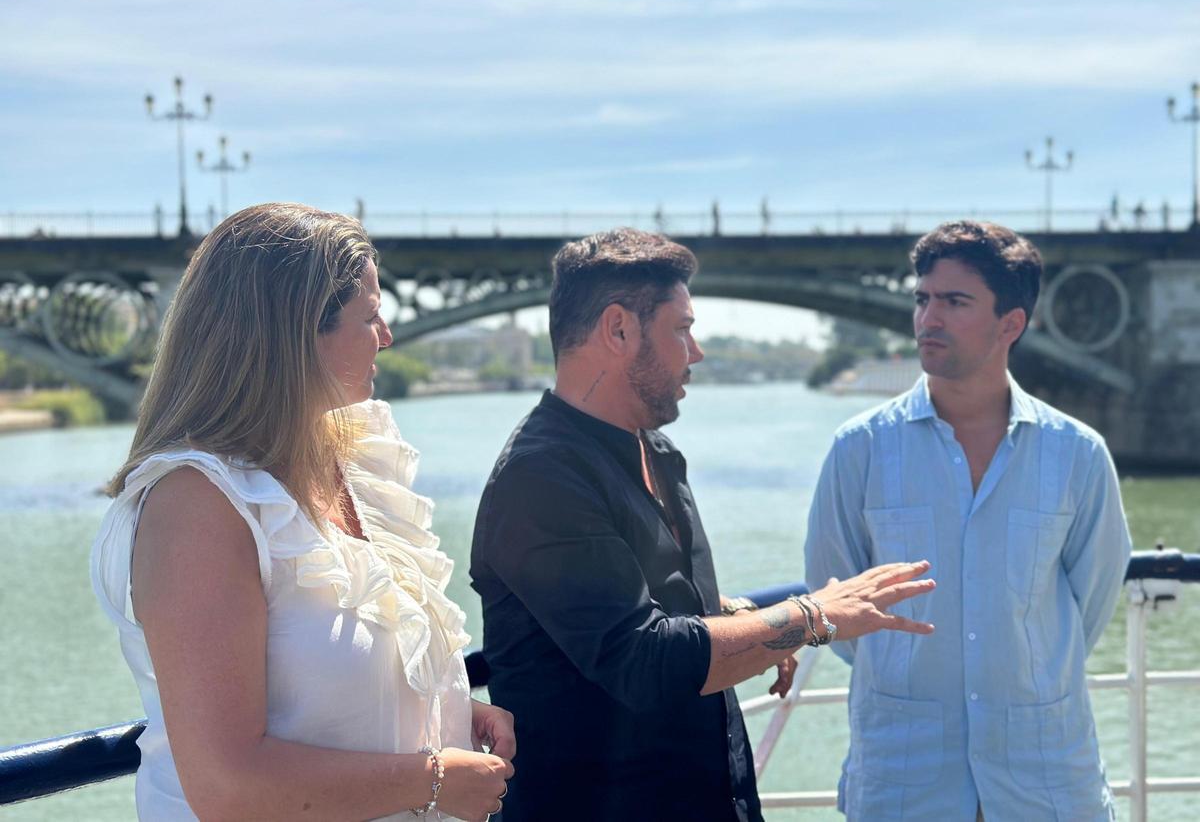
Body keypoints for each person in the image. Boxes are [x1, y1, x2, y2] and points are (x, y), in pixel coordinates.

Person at [469, 228, 936, 822]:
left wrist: (734, 618)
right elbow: (641, 657)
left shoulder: (655, 451)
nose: (697, 352)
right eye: (681, 329)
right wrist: (812, 617)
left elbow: (634, 593)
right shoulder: (539, 478)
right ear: (618, 330)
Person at [91, 203, 514, 821]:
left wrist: (444, 711)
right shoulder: (197, 506)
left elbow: (328, 675)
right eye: (369, 317)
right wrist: (434, 777)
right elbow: (228, 786)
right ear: (295, 334)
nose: (388, 337)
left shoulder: (345, 463)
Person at [804, 220, 1132, 821]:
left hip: (1044, 780)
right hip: (906, 779)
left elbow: (1092, 604)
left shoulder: (1077, 454)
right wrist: (912, 677)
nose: (929, 318)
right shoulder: (861, 450)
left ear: (1011, 323)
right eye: (923, 299)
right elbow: (832, 595)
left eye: (955, 302)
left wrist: (1021, 670)